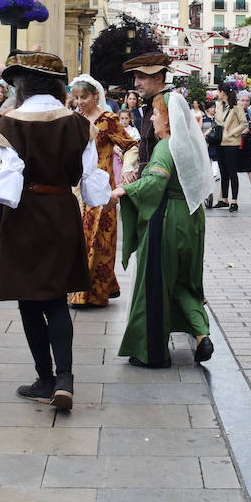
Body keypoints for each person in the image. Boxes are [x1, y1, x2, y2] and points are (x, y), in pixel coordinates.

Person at [0, 51, 111, 410]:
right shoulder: (80, 124)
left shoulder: (9, 125)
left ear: (22, 87)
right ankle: (64, 378)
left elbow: (7, 181)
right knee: (56, 300)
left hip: (25, 216)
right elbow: (92, 183)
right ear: (55, 85)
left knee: (30, 301)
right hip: (62, 212)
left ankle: (45, 379)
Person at [110, 91, 216, 368]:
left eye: (156, 114)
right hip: (193, 219)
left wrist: (124, 190)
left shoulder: (165, 146)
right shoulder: (191, 144)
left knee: (153, 283)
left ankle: (151, 352)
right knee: (185, 281)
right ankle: (202, 335)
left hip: (168, 220)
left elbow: (156, 182)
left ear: (168, 120)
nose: (153, 118)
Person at [67, 74, 137, 308]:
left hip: (102, 187)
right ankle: (103, 285)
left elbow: (130, 145)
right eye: (76, 97)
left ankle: (91, 294)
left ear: (95, 95)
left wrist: (127, 170)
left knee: (99, 239)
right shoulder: (74, 120)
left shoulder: (108, 120)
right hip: (78, 189)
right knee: (81, 239)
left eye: (84, 97)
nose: (80, 102)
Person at [122, 53, 171, 179]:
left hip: (160, 186)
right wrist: (140, 170)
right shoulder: (151, 104)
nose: (136, 83)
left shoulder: (166, 103)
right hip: (150, 182)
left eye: (141, 77)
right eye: (135, 78)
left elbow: (169, 155)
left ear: (159, 78)